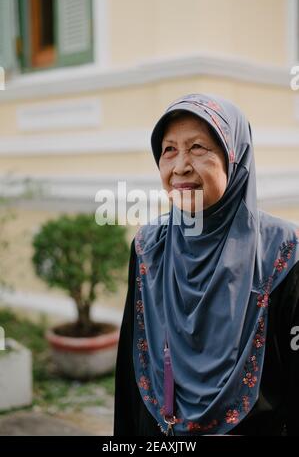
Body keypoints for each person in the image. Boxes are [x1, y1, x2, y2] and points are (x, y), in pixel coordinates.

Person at [114, 93, 299, 436]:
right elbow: (130, 371)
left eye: (198, 147)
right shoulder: (148, 248)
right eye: (169, 150)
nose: (180, 165)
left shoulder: (283, 252)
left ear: (234, 158)